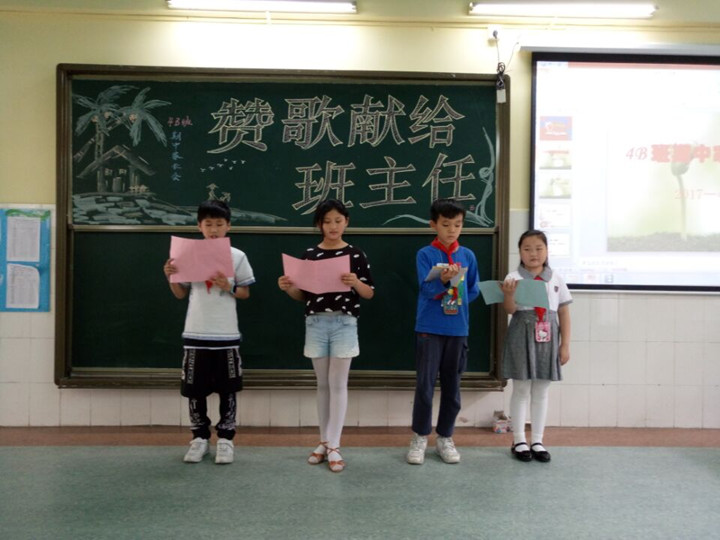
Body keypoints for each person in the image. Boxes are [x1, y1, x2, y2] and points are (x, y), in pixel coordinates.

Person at [277, 199, 374, 473]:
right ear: (319, 224)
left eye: (338, 221)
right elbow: (302, 296)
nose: (333, 226)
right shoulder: (309, 255)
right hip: (316, 322)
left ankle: (335, 445)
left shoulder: (356, 254)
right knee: (322, 384)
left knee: (338, 384)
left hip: (344, 322)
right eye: (327, 221)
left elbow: (369, 293)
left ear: (346, 222)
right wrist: (288, 287)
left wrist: (355, 283)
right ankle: (324, 441)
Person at [163, 200, 255, 465]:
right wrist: (170, 276)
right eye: (208, 224)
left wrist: (228, 286)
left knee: (228, 389)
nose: (214, 230)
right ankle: (199, 438)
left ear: (228, 226)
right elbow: (180, 294)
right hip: (196, 333)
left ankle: (226, 439)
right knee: (195, 390)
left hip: (226, 335)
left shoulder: (237, 256)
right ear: (199, 226)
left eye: (219, 224)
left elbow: (246, 293)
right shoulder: (186, 254)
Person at [407, 198, 480, 465]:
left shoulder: (467, 256)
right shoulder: (425, 254)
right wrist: (444, 281)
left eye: (457, 225)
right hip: (429, 328)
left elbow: (473, 289)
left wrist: (457, 296)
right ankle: (420, 437)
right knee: (425, 386)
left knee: (452, 386)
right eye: (446, 224)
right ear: (433, 225)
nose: (452, 230)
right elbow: (425, 289)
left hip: (457, 328)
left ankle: (445, 437)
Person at [500, 229, 571, 463]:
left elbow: (563, 312)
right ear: (520, 252)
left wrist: (565, 345)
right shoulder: (513, 277)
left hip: (548, 336)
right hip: (521, 333)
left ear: (547, 251)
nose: (533, 253)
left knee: (541, 390)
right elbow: (510, 310)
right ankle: (519, 440)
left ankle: (538, 440)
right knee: (521, 389)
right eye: (527, 249)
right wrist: (508, 295)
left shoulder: (556, 278)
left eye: (539, 248)